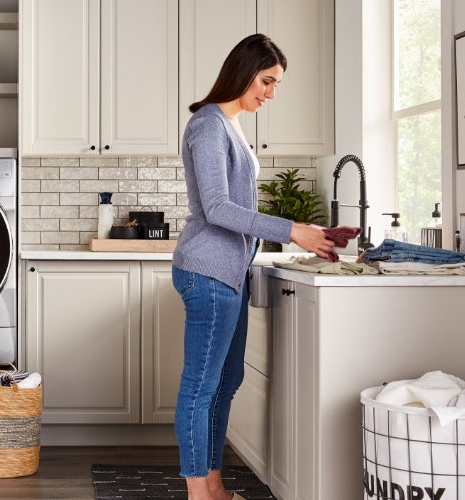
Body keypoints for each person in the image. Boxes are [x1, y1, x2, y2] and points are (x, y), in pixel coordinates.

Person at [172, 33, 334, 500]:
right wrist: (294, 230)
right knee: (202, 385)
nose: (270, 93)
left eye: (276, 84)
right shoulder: (208, 125)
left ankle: (214, 484)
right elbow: (219, 207)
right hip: (207, 270)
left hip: (230, 272)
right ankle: (197, 493)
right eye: (266, 81)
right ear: (243, 72)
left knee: (226, 379)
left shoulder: (232, 123)